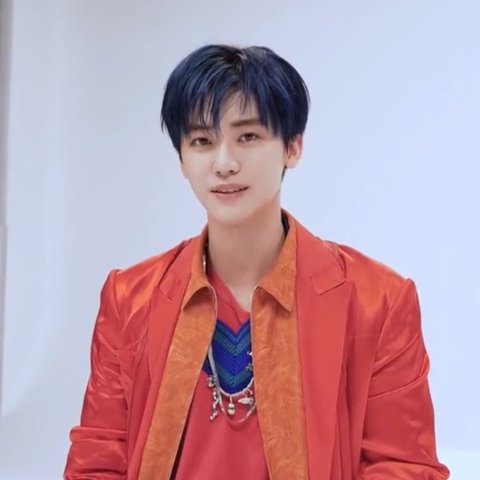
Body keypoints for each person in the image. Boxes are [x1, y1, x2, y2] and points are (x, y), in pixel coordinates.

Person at [64, 44, 449, 479]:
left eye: (248, 137)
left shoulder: (379, 301)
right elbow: (98, 460)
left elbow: (403, 466)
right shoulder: (130, 298)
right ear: (182, 160)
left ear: (292, 147)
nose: (224, 163)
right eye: (202, 141)